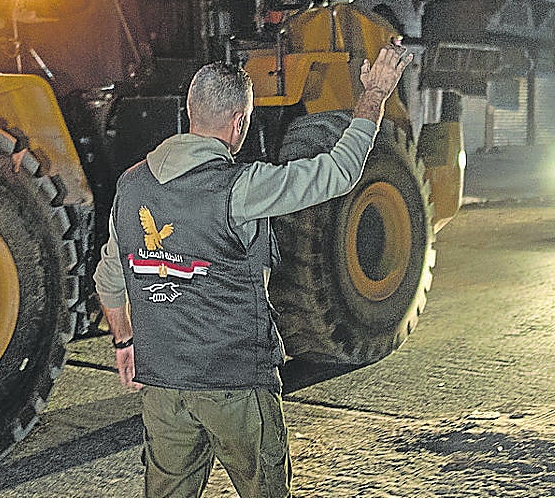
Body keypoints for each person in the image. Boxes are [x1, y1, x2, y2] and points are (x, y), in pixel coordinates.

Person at [93, 43, 413, 498]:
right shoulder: (241, 188)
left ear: (189, 111)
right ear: (239, 123)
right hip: (235, 384)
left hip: (163, 389)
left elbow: (110, 278)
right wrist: (374, 96)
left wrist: (125, 342)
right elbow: (338, 172)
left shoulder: (131, 185)